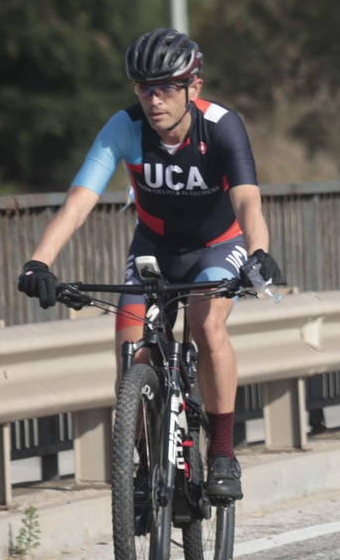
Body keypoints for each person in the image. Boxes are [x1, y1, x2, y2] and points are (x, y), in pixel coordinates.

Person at [16, 28, 281, 501]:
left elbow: (247, 203)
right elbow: (78, 202)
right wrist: (40, 261)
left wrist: (258, 251)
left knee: (206, 321)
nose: (153, 100)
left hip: (216, 246)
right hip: (154, 247)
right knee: (129, 337)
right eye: (143, 88)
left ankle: (222, 453)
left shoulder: (221, 126)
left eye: (164, 89)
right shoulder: (125, 127)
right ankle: (140, 463)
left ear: (192, 88)